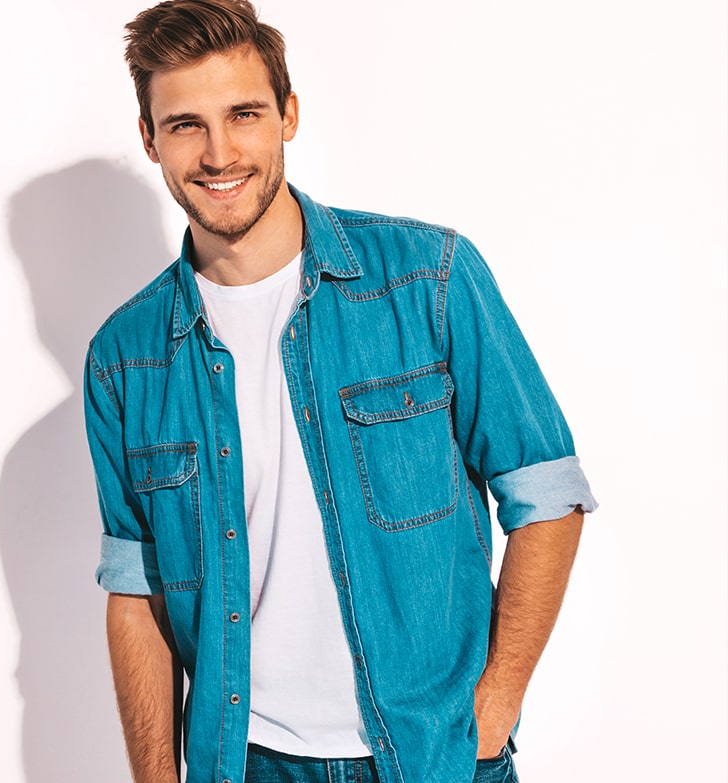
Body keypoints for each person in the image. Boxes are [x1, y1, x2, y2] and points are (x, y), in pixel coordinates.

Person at [82, 2, 597, 782]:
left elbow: (547, 493)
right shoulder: (125, 358)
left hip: (432, 756)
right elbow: (137, 591)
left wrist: (494, 707)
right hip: (248, 763)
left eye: (244, 114)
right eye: (186, 124)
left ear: (288, 114)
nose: (219, 153)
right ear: (150, 138)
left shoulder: (427, 280)